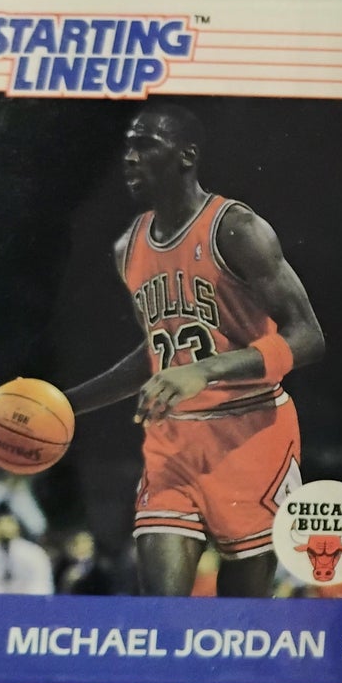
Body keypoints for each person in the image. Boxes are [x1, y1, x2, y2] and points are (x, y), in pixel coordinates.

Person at [65, 103, 326, 598]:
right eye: (127, 146)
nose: (130, 157)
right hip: (174, 441)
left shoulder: (237, 228)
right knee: (162, 615)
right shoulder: (129, 248)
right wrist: (66, 403)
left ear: (186, 156)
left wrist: (204, 372)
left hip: (252, 433)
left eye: (146, 145)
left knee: (239, 619)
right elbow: (160, 354)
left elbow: (308, 336)